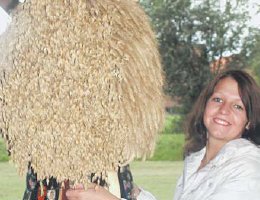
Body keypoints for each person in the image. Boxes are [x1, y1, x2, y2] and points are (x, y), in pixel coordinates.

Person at [65, 69, 260, 200]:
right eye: (218, 99)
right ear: (205, 105)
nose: (224, 110)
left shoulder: (249, 170)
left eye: (237, 106)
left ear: (249, 120)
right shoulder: (197, 162)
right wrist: (132, 191)